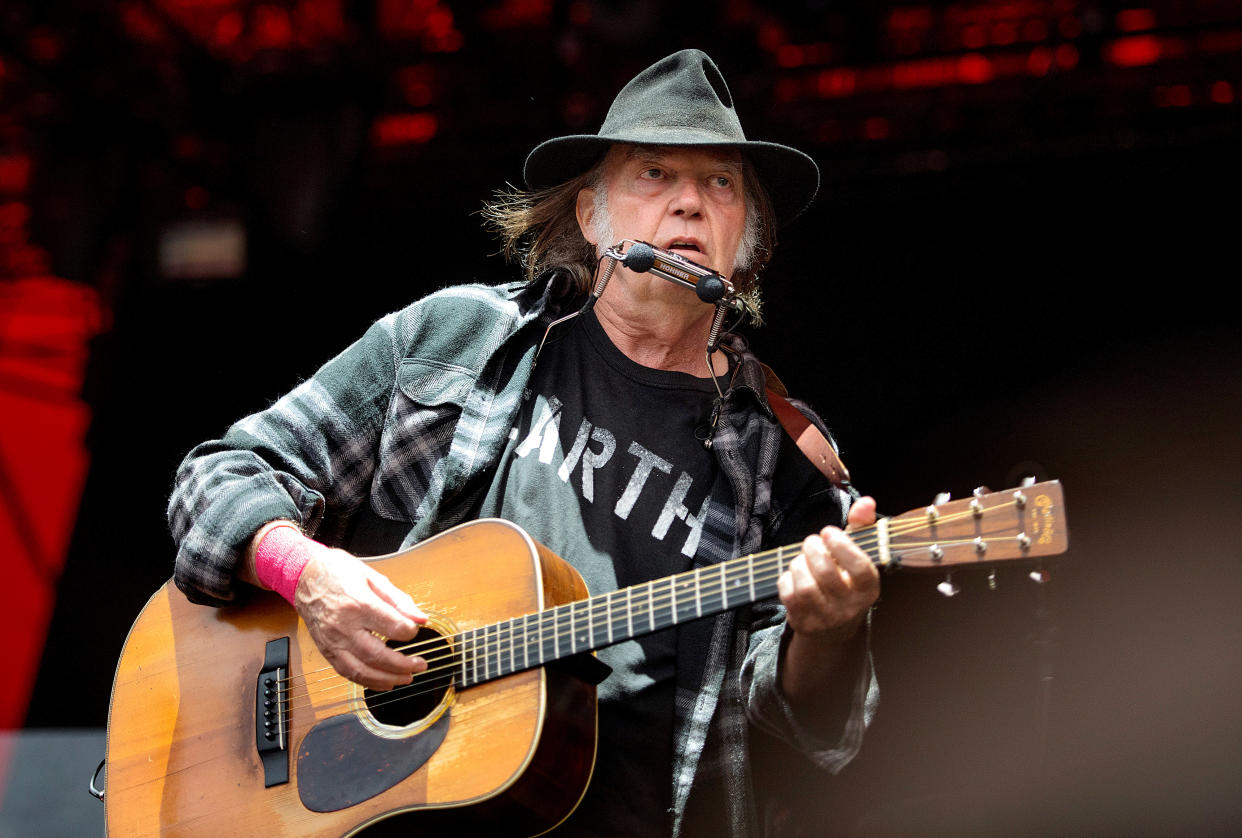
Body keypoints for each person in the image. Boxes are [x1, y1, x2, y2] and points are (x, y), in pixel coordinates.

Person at [168, 49, 880, 837]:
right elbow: (220, 478)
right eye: (653, 175)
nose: (688, 204)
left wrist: (831, 631)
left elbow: (808, 731)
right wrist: (307, 576)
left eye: (720, 184)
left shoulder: (784, 460)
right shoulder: (455, 339)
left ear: (747, 237)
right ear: (589, 216)